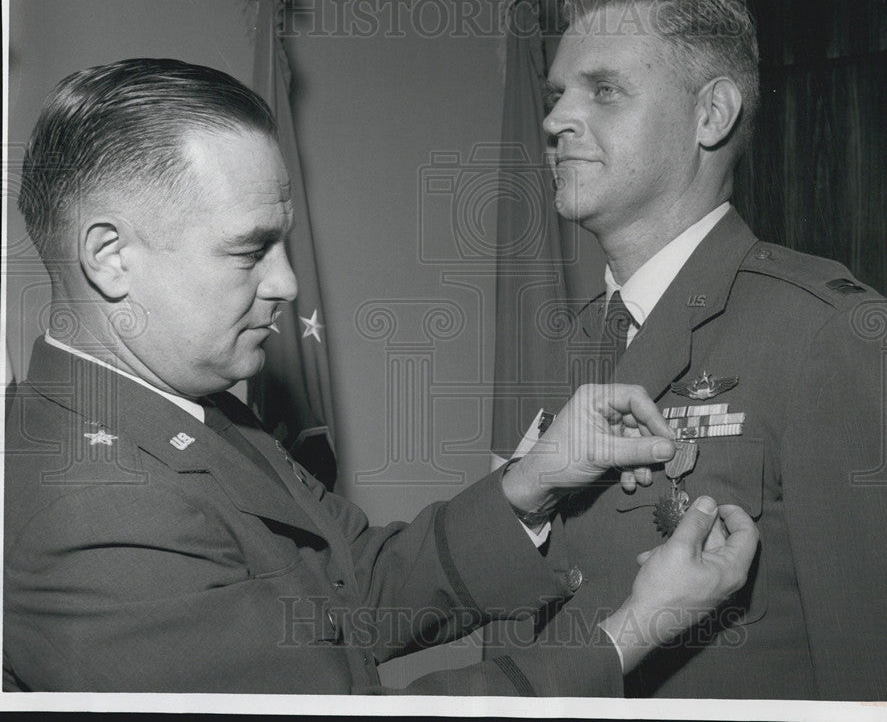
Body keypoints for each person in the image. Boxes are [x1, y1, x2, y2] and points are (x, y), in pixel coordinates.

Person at [2, 58, 759, 695]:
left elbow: (354, 587)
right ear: (108, 256)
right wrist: (631, 629)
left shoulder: (186, 404)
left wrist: (535, 478)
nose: (288, 284)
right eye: (248, 250)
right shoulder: (90, 514)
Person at [494, 0, 887, 701]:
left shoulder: (836, 339)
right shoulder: (565, 342)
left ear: (711, 115)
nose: (556, 119)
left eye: (604, 89)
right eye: (557, 95)